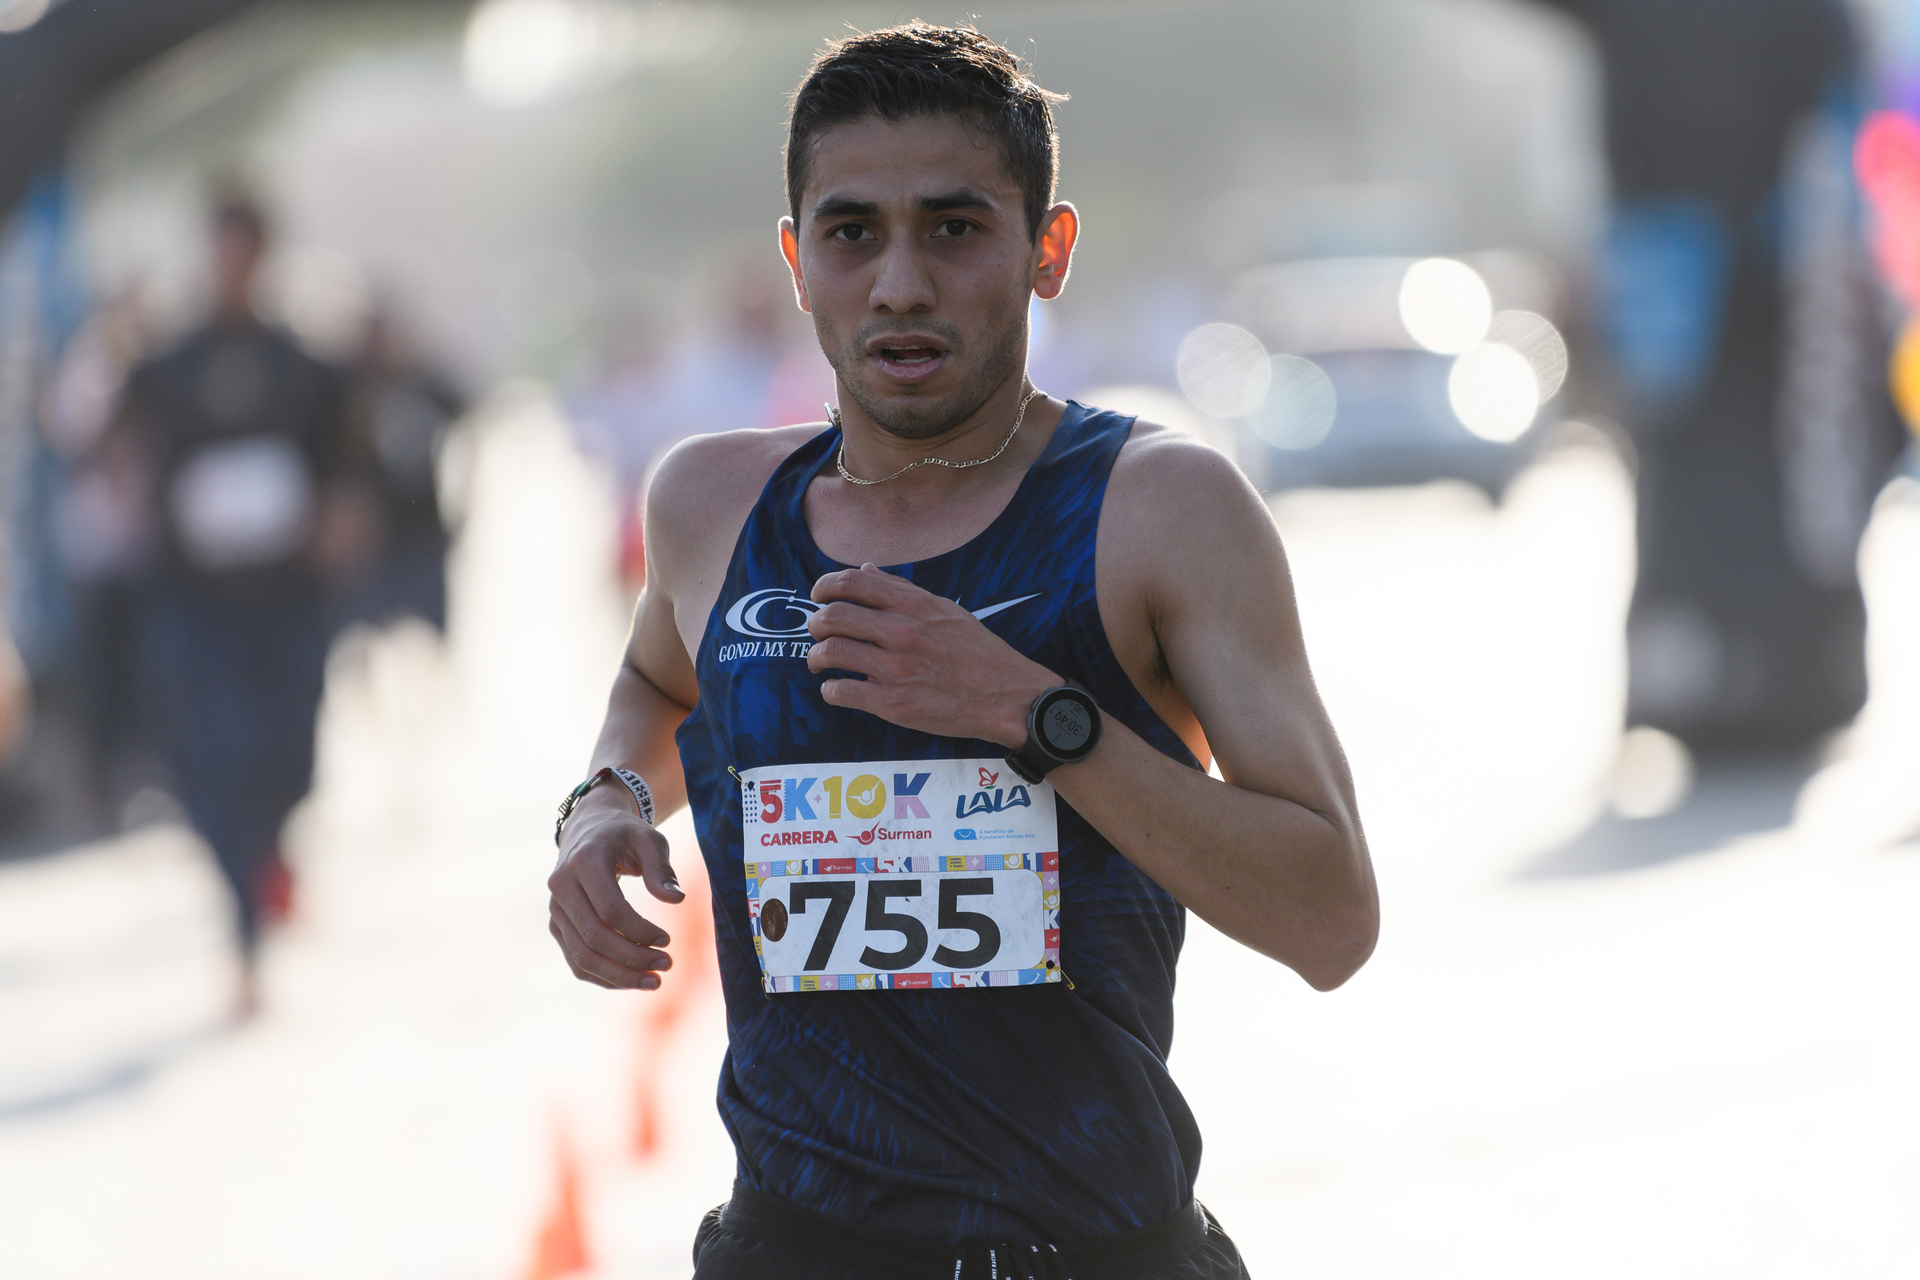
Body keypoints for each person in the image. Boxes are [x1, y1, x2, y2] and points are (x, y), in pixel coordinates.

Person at [547, 24, 1377, 1278]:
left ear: (1047, 252)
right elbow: (659, 681)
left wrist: (1041, 717)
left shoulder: (1160, 510)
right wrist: (603, 800)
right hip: (791, 1246)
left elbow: (1331, 917)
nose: (899, 284)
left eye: (953, 227)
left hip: (1088, 1247)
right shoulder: (711, 504)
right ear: (796, 261)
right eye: (851, 233)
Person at [114, 194, 358, 1018]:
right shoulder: (164, 363)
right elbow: (112, 441)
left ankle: (274, 851)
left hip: (285, 597)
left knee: (287, 757)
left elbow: (348, 459)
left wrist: (337, 516)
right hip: (196, 598)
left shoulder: (305, 364)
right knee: (209, 760)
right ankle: (243, 926)